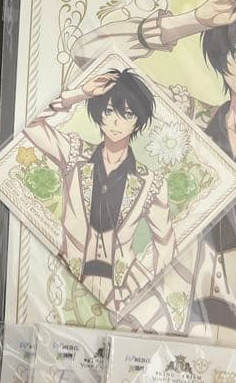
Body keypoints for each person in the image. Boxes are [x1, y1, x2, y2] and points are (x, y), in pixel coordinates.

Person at [71, 0, 236, 349]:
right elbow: (87, 56)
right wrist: (191, 22)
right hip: (155, 321)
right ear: (222, 54)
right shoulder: (183, 120)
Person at [20, 68, 174, 319]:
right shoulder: (74, 154)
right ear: (99, 113)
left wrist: (140, 289)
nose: (116, 122)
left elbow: (165, 245)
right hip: (66, 281)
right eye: (109, 111)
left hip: (122, 291)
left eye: (127, 114)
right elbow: (31, 126)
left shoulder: (150, 182)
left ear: (138, 120)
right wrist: (80, 93)